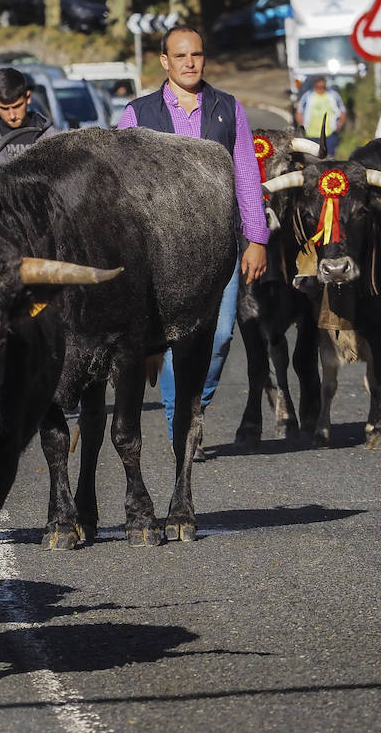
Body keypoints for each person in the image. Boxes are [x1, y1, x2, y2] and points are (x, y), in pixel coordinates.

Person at [117, 25, 269, 452]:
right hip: (160, 249)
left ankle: (191, 408)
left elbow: (246, 175)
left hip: (218, 246)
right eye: (180, 56)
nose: (189, 63)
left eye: (196, 55)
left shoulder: (227, 108)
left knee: (219, 337)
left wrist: (256, 238)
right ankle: (181, 427)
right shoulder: (137, 114)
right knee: (172, 337)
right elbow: (122, 185)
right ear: (164, 61)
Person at [296, 75, 346, 154]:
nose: (321, 89)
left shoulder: (333, 95)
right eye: (318, 87)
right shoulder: (307, 96)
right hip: (310, 135)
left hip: (329, 135)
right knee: (311, 160)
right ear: (314, 86)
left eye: (323, 87)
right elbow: (299, 112)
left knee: (329, 159)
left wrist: (339, 126)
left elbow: (342, 111)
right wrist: (301, 127)